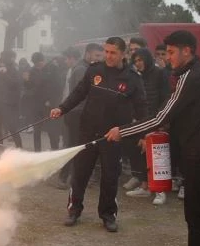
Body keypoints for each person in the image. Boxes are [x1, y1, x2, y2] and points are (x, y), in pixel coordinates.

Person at [103, 30, 200, 246]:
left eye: (171, 52)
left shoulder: (190, 76)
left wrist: (122, 131)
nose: (167, 58)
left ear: (187, 51)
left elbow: (160, 117)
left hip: (198, 152)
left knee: (194, 211)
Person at [50, 36, 147, 233]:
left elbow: (141, 108)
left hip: (112, 136)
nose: (108, 56)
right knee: (80, 173)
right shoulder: (94, 71)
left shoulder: (133, 78)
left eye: (113, 53)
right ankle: (74, 210)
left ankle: (108, 215)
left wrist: (144, 133)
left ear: (123, 54)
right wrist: (62, 108)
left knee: (110, 176)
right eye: (106, 52)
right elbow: (79, 93)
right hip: (88, 131)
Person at [123, 47, 170, 204]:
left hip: (157, 120)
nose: (138, 63)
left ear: (147, 59)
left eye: (140, 60)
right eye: (135, 60)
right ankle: (144, 186)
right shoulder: (136, 76)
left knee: (157, 156)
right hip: (140, 121)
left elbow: (165, 98)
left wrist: (161, 122)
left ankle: (160, 191)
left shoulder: (160, 74)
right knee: (139, 153)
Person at [56, 46, 94, 188]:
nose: (66, 61)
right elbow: (80, 94)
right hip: (76, 113)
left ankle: (72, 176)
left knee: (75, 144)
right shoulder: (80, 70)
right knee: (74, 145)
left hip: (74, 112)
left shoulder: (77, 69)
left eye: (67, 58)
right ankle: (65, 177)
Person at [24, 52, 61, 152]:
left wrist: (51, 100)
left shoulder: (53, 69)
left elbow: (57, 87)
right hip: (37, 105)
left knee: (51, 129)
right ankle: (37, 151)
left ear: (43, 61)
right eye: (36, 65)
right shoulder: (32, 71)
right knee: (37, 130)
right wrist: (26, 81)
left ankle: (54, 149)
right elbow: (29, 87)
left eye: (40, 64)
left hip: (50, 105)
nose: (38, 66)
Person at [0, 51, 23, 149]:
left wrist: (5, 75)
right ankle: (0, 146)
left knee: (12, 126)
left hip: (9, 104)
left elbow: (16, 84)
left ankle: (19, 146)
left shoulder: (14, 70)